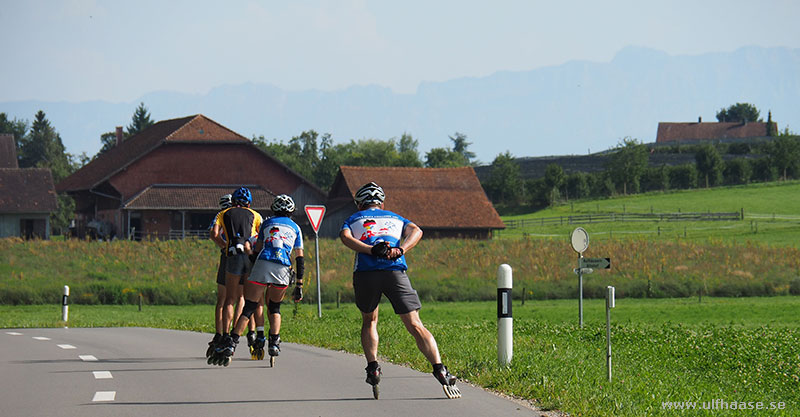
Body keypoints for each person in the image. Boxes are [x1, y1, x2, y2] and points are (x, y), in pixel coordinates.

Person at [339, 182, 461, 399]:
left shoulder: (353, 219)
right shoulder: (396, 218)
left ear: (360, 204)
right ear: (382, 202)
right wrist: (401, 249)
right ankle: (440, 368)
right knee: (415, 324)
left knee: (370, 320)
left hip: (366, 273)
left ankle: (373, 367)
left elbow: (346, 238)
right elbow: (417, 231)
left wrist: (370, 250)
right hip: (395, 271)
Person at [227, 194, 304, 365]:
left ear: (274, 209)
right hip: (282, 267)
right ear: (291, 212)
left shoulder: (266, 224)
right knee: (275, 307)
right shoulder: (296, 228)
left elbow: (257, 250)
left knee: (250, 307)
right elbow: (300, 259)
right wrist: (299, 284)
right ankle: (274, 343)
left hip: (263, 263)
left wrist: (251, 258)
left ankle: (232, 343)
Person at [209, 187, 263, 366]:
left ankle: (225, 335)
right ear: (249, 203)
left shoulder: (223, 213)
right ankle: (248, 333)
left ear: (233, 202)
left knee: (229, 300)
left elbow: (214, 234)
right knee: (248, 299)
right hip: (249, 255)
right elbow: (260, 236)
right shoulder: (255, 215)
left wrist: (224, 246)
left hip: (231, 255)